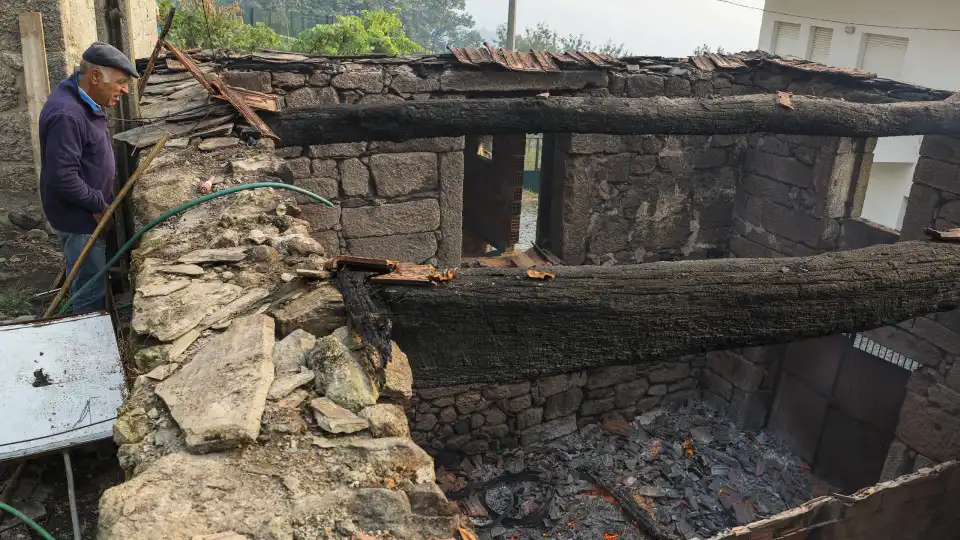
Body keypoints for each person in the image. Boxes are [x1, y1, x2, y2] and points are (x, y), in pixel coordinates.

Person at [39, 42, 138, 314]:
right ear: (95, 76)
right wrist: (98, 204)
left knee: (93, 275)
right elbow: (62, 177)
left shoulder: (85, 100)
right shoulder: (67, 115)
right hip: (80, 218)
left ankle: (103, 320)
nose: (125, 89)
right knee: (88, 287)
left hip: (86, 211)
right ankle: (90, 339)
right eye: (120, 82)